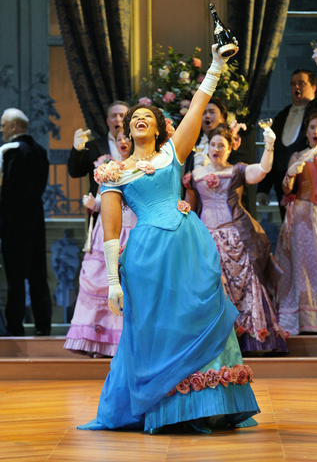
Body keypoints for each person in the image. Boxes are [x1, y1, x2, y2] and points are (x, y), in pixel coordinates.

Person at [78, 44, 260, 435]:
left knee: (198, 318)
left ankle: (207, 405)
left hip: (188, 247)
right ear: (126, 129)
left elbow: (196, 108)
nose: (140, 119)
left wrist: (215, 65)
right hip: (146, 255)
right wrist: (112, 282)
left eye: (148, 117)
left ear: (159, 128)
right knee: (156, 330)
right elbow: (110, 233)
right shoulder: (113, 173)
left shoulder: (172, 154)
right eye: (135, 118)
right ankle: (161, 407)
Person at [184, 125, 288, 355]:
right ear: (208, 147)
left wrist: (269, 145)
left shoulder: (236, 171)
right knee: (210, 286)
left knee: (244, 284)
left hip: (234, 235)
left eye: (222, 145)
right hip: (205, 237)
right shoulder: (196, 175)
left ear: (230, 149)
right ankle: (211, 340)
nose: (217, 149)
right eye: (213, 144)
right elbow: (189, 206)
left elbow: (261, 170)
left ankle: (247, 338)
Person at [64, 129, 137, 357]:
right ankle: (98, 338)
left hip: (132, 230)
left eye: (127, 138)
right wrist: (93, 203)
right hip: (106, 230)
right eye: (119, 139)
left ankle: (125, 341)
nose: (123, 142)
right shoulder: (107, 167)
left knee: (129, 284)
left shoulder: (141, 167)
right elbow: (104, 199)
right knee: (99, 281)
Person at [0, 108, 51, 336]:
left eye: (3, 124)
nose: (1, 129)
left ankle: (14, 328)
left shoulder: (11, 151)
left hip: (13, 224)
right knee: (39, 277)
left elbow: (8, 190)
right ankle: (43, 326)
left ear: (13, 126)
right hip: (36, 222)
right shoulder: (40, 151)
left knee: (16, 280)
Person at [274, 108, 317, 335]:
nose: (316, 131)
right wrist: (290, 173)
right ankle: (305, 319)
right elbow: (286, 189)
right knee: (304, 267)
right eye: (312, 127)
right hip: (303, 216)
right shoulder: (298, 156)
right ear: (306, 130)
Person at [257, 68, 317, 221]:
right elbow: (273, 152)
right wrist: (263, 189)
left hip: (311, 186)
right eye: (293, 84)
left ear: (313, 88)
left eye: (301, 83)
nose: (296, 87)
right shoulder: (282, 116)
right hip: (283, 185)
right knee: (289, 230)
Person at [67, 100, 130, 197]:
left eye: (122, 115)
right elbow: (75, 173)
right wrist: (77, 150)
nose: (118, 119)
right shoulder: (92, 146)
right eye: (113, 116)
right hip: (100, 204)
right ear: (108, 121)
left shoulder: (137, 145)